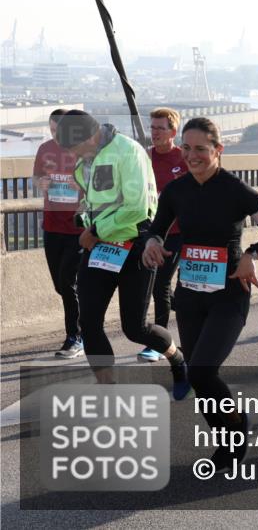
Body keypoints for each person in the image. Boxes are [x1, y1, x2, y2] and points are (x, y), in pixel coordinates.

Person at [143, 117, 258, 470]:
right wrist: (152, 242)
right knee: (196, 373)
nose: (192, 156)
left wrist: (252, 255)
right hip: (190, 294)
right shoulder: (176, 191)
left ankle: (237, 427)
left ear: (218, 150)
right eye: (187, 149)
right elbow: (158, 228)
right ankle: (224, 438)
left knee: (205, 372)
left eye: (201, 150)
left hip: (229, 294)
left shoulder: (238, 190)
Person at [54, 110, 188, 392]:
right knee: (88, 321)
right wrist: (86, 218)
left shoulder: (128, 151)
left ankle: (176, 359)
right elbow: (99, 202)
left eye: (74, 147)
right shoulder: (85, 160)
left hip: (135, 246)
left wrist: (95, 230)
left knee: (134, 328)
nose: (73, 154)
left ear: (90, 136)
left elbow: (137, 208)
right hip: (101, 248)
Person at [33, 109, 85, 358]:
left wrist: (82, 185)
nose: (56, 135)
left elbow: (103, 184)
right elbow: (37, 176)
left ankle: (75, 337)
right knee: (61, 285)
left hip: (78, 226)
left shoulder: (84, 150)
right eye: (52, 130)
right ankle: (84, 325)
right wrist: (40, 183)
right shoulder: (44, 149)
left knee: (68, 281)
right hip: (52, 225)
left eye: (60, 130)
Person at [138, 107, 188, 363]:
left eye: (160, 128)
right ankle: (182, 308)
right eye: (152, 127)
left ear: (173, 132)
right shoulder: (143, 158)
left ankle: (159, 343)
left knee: (160, 284)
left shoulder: (184, 159)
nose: (155, 132)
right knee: (154, 285)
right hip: (150, 233)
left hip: (177, 233)